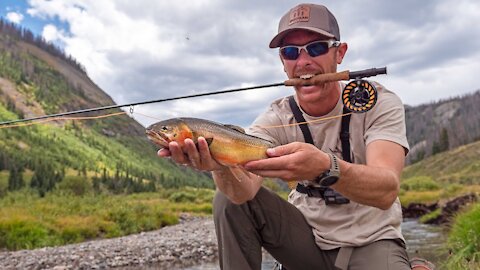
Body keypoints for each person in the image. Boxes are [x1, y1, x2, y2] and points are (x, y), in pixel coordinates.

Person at [158, 3, 411, 270]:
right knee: (227, 200)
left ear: (340, 52)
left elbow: (386, 190)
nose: (303, 62)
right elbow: (243, 193)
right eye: (290, 52)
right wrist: (219, 166)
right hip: (305, 242)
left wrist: (326, 167)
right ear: (282, 61)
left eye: (316, 48)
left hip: (373, 241)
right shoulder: (276, 117)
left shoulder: (378, 102)